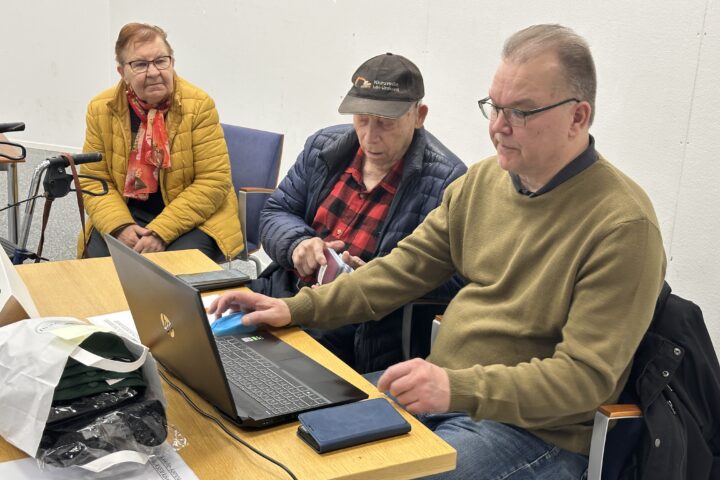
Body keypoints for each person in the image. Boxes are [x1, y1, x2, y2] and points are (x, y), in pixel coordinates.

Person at [209, 24, 667, 479]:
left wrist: (456, 387)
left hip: (534, 432)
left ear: (578, 116)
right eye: (495, 107)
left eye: (522, 112)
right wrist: (292, 308)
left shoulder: (623, 226)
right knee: (280, 440)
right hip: (442, 391)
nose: (498, 127)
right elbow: (398, 272)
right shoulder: (484, 183)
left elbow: (584, 380)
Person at [251, 53, 467, 373]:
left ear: (419, 115)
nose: (370, 136)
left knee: (274, 381)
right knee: (209, 350)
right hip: (285, 289)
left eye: (386, 123)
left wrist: (375, 275)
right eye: (361, 119)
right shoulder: (324, 146)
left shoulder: (449, 181)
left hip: (360, 329)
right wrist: (298, 244)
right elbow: (275, 211)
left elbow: (458, 277)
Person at [77, 23, 243, 261]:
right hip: (127, 213)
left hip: (194, 219)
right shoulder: (100, 108)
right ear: (122, 72)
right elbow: (94, 180)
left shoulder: (199, 105)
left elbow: (213, 182)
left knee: (165, 275)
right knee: (97, 274)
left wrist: (161, 231)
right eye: (140, 64)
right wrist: (119, 226)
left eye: (161, 61)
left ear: (172, 62)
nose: (153, 72)